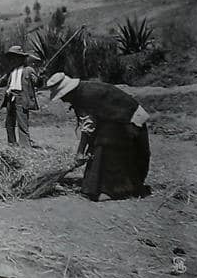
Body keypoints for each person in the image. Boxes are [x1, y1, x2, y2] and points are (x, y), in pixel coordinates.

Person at [46, 72, 151, 200]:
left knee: (106, 147)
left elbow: (88, 126)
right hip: (116, 118)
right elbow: (92, 124)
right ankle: (98, 187)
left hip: (129, 119)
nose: (62, 99)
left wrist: (80, 153)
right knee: (98, 147)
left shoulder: (84, 96)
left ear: (68, 92)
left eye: (62, 96)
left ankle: (114, 191)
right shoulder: (82, 90)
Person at [0, 46, 40, 147]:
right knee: (9, 122)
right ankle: (12, 143)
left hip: (21, 99)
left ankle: (25, 145)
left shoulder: (28, 70)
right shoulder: (11, 71)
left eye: (15, 57)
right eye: (11, 58)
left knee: (22, 123)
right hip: (10, 98)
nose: (13, 60)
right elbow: (2, 81)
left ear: (21, 58)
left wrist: (38, 79)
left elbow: (37, 83)